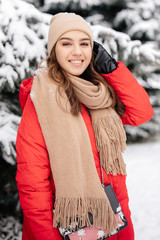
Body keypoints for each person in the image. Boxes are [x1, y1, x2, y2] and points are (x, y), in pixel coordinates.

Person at [16, 12, 153, 240]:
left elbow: (141, 113)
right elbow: (33, 185)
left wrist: (111, 70)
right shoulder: (41, 100)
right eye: (66, 43)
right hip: (66, 226)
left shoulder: (100, 91)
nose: (77, 52)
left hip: (113, 216)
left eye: (85, 43)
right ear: (54, 50)